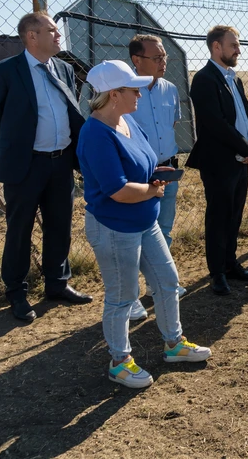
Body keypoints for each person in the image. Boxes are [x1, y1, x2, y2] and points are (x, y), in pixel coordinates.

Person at [78, 60, 211, 388]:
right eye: (133, 89)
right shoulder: (96, 133)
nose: (139, 93)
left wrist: (155, 177)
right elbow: (119, 191)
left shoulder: (127, 121)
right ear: (113, 95)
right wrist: (154, 189)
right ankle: (120, 362)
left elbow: (144, 163)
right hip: (114, 227)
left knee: (167, 282)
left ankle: (174, 344)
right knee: (123, 296)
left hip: (144, 220)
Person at [0, 12, 91, 323]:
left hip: (60, 163)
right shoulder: (5, 71)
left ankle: (57, 284)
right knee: (19, 230)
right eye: (52, 30)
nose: (59, 36)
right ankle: (16, 291)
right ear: (32, 36)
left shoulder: (64, 69)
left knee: (60, 225)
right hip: (26, 165)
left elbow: (70, 112)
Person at [186, 25, 248, 295]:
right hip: (218, 161)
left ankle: (231, 265)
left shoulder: (235, 79)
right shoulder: (204, 79)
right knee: (219, 216)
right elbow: (215, 123)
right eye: (233, 45)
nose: (238, 49)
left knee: (235, 214)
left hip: (241, 159)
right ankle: (217, 272)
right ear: (216, 47)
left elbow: (247, 115)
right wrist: (245, 147)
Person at [128, 35, 186, 317]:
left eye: (165, 57)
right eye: (157, 58)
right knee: (135, 232)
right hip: (139, 173)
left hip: (168, 167)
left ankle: (158, 283)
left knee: (163, 228)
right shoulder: (125, 91)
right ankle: (130, 295)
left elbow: (172, 123)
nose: (164, 62)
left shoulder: (171, 89)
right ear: (137, 61)